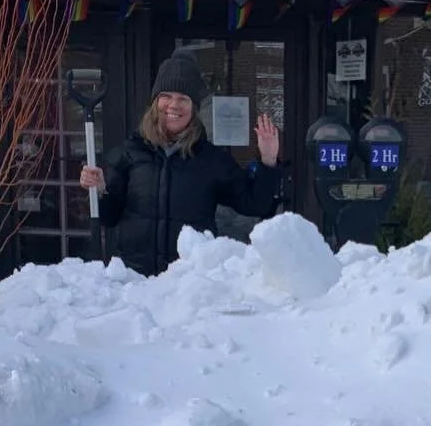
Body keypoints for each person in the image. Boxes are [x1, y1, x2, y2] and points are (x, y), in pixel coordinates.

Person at [79, 53, 281, 275]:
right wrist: (100, 191)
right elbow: (110, 217)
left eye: (183, 98)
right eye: (166, 96)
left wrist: (268, 161)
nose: (174, 105)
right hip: (135, 282)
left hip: (187, 286)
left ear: (193, 108)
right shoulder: (131, 153)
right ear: (156, 102)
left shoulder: (211, 160)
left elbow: (254, 204)